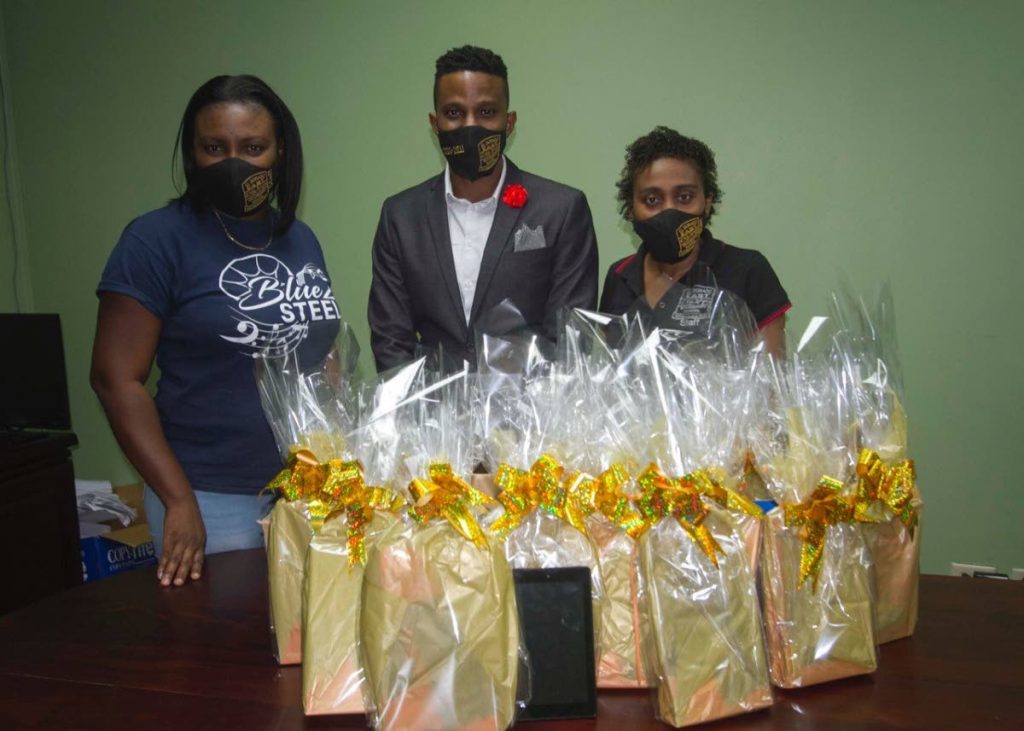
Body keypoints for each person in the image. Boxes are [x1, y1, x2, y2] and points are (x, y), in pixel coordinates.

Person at [91, 75, 341, 587]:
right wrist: (177, 500)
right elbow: (115, 380)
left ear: (280, 152)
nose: (235, 162)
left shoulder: (300, 238)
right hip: (210, 503)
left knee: (306, 651)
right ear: (191, 154)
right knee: (223, 661)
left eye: (253, 147)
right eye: (214, 147)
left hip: (305, 495)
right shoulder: (156, 240)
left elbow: (320, 350)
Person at [368, 45, 599, 371]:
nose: (470, 125)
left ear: (510, 121)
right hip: (431, 416)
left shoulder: (561, 210)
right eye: (454, 113)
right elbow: (391, 340)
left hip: (531, 416)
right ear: (434, 124)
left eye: (487, 112)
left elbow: (568, 342)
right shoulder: (400, 217)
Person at [600, 127, 790, 355]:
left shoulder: (747, 269)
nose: (669, 210)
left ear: (707, 202)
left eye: (684, 197)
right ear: (631, 209)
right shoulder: (620, 275)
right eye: (652, 199)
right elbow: (608, 368)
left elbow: (771, 381)